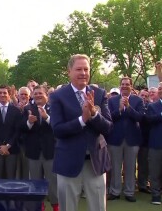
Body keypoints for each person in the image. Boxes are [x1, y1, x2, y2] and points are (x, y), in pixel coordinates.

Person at [49, 54, 113, 211]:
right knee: (68, 207)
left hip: (95, 162)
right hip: (68, 162)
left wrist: (94, 115)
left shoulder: (99, 93)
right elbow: (57, 129)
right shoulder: (57, 96)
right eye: (79, 69)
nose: (83, 73)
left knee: (98, 207)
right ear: (69, 71)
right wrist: (82, 120)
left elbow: (108, 128)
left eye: (86, 69)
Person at [107, 77, 144, 202]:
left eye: (127, 84)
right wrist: (119, 109)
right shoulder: (112, 101)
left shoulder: (138, 100)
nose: (124, 86)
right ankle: (115, 191)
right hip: (115, 138)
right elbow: (109, 118)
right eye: (122, 84)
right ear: (119, 86)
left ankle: (129, 191)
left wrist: (128, 107)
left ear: (131, 86)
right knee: (115, 167)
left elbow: (139, 117)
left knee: (130, 167)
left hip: (132, 139)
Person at [22, 85, 58, 211]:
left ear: (46, 95)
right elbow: (21, 130)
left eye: (40, 93)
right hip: (34, 152)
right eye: (35, 93)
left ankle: (56, 206)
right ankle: (39, 206)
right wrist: (29, 123)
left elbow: (58, 128)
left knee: (52, 182)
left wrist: (46, 118)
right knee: (36, 182)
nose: (37, 96)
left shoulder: (54, 108)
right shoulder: (27, 109)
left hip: (50, 151)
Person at [0, 84, 22, 179]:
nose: (2, 95)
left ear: (9, 95)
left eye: (4, 93)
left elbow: (17, 131)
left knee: (11, 177)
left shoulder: (16, 111)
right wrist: (0, 146)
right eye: (0, 93)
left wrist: (7, 146)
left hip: (12, 150)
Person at [146, 82, 162, 205]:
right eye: (160, 88)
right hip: (156, 144)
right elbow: (149, 120)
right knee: (155, 171)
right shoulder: (153, 106)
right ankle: (156, 195)